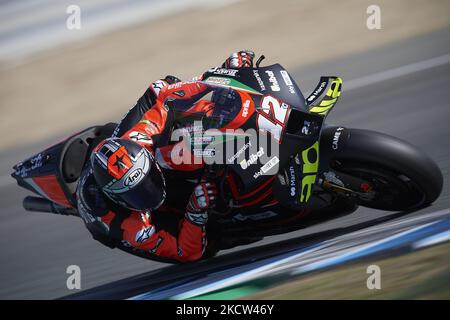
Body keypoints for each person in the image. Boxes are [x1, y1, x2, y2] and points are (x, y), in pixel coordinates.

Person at [76, 51, 255, 262]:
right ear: (119, 198)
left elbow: (165, 94)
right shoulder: (130, 226)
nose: (150, 191)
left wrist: (225, 75)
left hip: (132, 140)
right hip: (140, 220)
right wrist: (194, 213)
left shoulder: (139, 137)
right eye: (138, 192)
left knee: (179, 109)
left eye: (148, 181)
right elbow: (185, 251)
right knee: (209, 246)